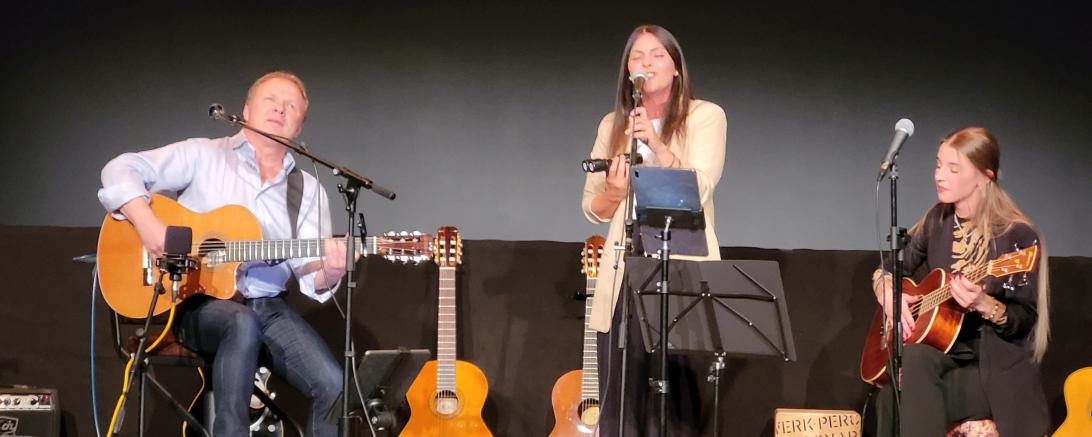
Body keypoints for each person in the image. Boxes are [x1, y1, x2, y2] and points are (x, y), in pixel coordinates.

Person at [98, 71, 348, 436]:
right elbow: (119, 168)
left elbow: (313, 277)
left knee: (334, 385)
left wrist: (334, 269)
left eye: (291, 105)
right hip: (195, 305)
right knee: (239, 322)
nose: (280, 108)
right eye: (270, 99)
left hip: (269, 309)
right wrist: (150, 227)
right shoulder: (204, 154)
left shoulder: (307, 189)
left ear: (299, 126)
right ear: (246, 110)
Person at [581, 24, 727, 435]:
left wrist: (658, 147)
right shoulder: (613, 123)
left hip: (679, 269)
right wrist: (613, 191)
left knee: (674, 407)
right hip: (622, 272)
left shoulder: (705, 116)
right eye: (637, 57)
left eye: (657, 55)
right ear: (628, 71)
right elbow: (592, 207)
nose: (646, 64)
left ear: (676, 67)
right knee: (619, 406)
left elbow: (699, 187)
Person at [872, 127, 1051, 436]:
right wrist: (888, 292)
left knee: (894, 395)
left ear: (985, 176)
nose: (940, 176)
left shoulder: (1016, 235)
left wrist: (984, 304)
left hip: (991, 372)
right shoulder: (936, 221)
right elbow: (886, 269)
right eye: (939, 165)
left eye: (954, 169)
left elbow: (1024, 322)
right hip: (944, 361)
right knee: (901, 372)